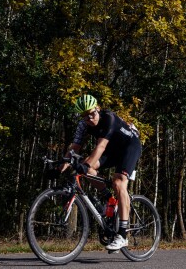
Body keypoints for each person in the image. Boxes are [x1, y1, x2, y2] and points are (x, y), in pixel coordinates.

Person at [60, 94, 142, 251]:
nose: (90, 118)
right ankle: (109, 199)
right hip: (112, 151)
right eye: (85, 116)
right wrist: (60, 167)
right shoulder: (83, 125)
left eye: (92, 113)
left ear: (97, 108)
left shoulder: (109, 117)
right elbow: (74, 148)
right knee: (85, 167)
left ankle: (123, 236)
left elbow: (100, 147)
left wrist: (86, 164)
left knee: (118, 182)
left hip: (130, 146)